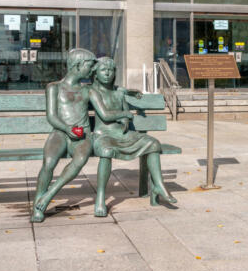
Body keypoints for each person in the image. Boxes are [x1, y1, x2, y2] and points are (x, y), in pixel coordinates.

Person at [89, 57, 177, 217]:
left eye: (111, 70)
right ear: (95, 74)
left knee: (153, 143)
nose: (107, 73)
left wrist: (124, 120)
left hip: (122, 134)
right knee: (106, 151)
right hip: (103, 136)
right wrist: (125, 114)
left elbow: (124, 113)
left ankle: (158, 186)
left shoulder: (119, 92)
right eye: (103, 70)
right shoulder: (93, 92)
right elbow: (105, 115)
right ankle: (100, 196)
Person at [31, 48, 96, 223]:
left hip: (82, 136)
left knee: (80, 159)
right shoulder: (54, 87)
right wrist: (67, 128)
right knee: (49, 162)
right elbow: (51, 116)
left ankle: (47, 196)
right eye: (89, 66)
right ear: (78, 65)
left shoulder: (88, 90)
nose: (91, 70)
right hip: (60, 132)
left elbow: (110, 89)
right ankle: (37, 204)